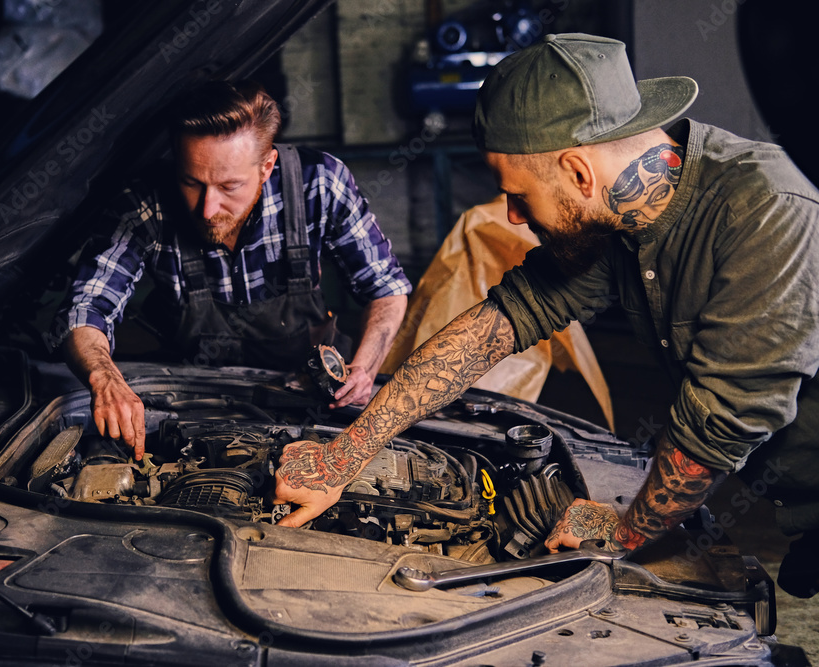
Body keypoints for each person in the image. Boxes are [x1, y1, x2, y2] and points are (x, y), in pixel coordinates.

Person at [273, 33, 819, 599]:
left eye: (519, 195)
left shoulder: (765, 215)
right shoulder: (614, 217)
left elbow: (717, 426)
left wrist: (624, 531)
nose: (511, 215)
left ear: (580, 174)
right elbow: (494, 325)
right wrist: (344, 456)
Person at [56, 80, 411, 458]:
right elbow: (86, 309)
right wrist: (105, 377)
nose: (208, 209)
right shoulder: (146, 203)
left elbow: (386, 287)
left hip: (306, 397)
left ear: (266, 166)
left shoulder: (319, 183)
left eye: (229, 186)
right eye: (192, 182)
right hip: (192, 398)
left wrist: (367, 365)